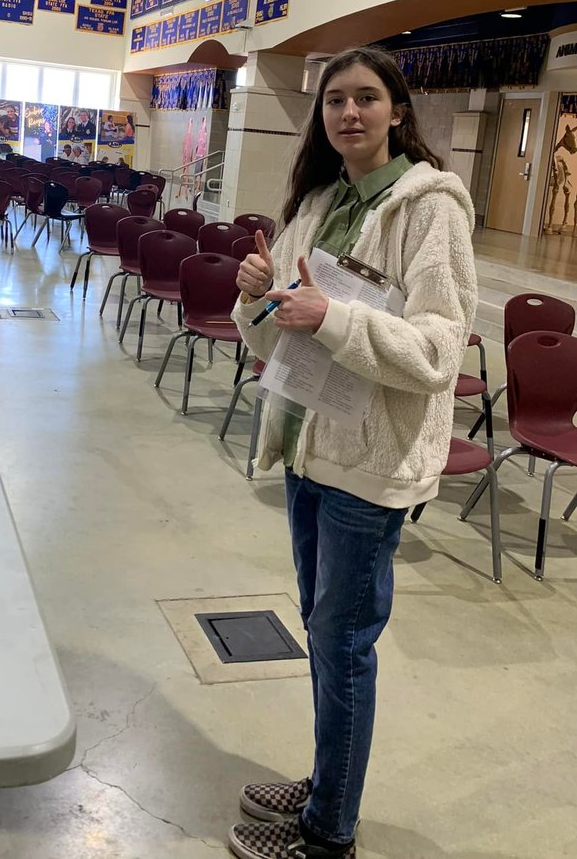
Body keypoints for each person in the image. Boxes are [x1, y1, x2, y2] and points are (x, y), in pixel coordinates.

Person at [229, 46, 477, 859]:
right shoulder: (321, 199)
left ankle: (328, 833)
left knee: (343, 645)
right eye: (335, 100)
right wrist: (254, 296)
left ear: (398, 110)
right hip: (309, 445)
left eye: (367, 98)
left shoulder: (430, 208)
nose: (350, 113)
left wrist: (331, 318)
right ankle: (326, 782)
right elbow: (271, 335)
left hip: (368, 468)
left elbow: (441, 351)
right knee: (321, 631)